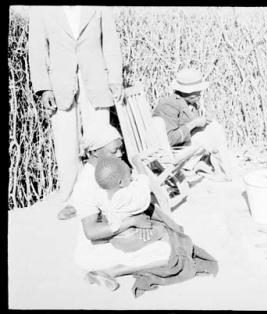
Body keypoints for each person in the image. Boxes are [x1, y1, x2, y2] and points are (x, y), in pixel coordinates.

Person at [28, 6, 123, 220]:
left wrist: (115, 79)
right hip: (60, 86)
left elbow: (110, 42)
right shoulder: (42, 10)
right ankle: (72, 200)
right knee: (66, 146)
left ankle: (106, 197)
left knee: (102, 141)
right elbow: (37, 49)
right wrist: (44, 88)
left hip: (97, 84)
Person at [72, 124, 171, 291]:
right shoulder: (86, 184)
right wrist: (132, 221)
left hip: (119, 233)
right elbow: (92, 232)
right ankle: (112, 271)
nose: (119, 154)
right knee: (167, 252)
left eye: (121, 150)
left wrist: (137, 221)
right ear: (95, 152)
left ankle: (113, 269)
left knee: (168, 241)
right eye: (114, 151)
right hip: (97, 247)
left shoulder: (110, 168)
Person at [152, 68, 233, 181]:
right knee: (211, 133)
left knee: (214, 127)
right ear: (187, 91)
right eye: (197, 90)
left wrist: (204, 121)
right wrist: (194, 123)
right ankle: (222, 171)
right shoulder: (168, 105)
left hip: (184, 145)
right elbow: (169, 139)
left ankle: (223, 170)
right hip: (170, 151)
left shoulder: (189, 102)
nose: (200, 93)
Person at [94, 156, 164, 252]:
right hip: (131, 238)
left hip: (116, 239)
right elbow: (143, 187)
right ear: (120, 182)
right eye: (129, 177)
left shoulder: (101, 195)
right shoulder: (126, 196)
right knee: (162, 230)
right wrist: (139, 165)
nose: (131, 179)